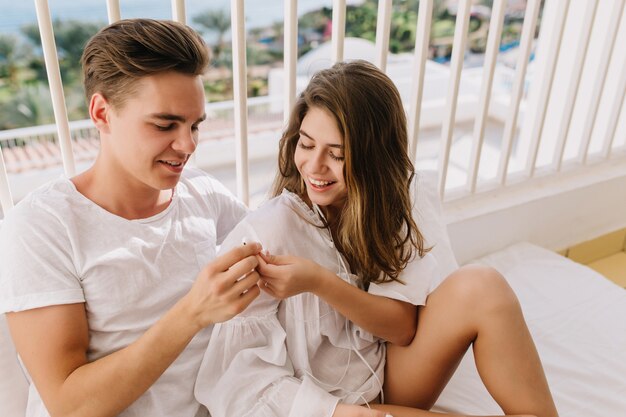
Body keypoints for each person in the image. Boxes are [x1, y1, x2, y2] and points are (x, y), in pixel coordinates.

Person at [195, 61, 559, 417]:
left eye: (337, 155)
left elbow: (402, 328)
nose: (314, 166)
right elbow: (238, 382)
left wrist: (320, 282)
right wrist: (342, 412)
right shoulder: (270, 232)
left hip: (381, 376)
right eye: (306, 145)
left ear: (373, 160)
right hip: (324, 406)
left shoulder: (388, 203)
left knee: (483, 286)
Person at [0, 19, 263, 417]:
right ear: (102, 113)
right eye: (165, 124)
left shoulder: (204, 193)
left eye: (194, 125)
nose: (187, 144)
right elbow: (69, 406)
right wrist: (192, 313)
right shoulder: (43, 226)